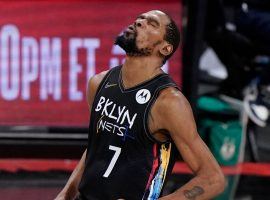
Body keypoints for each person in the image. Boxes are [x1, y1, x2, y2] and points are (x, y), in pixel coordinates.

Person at [55, 10, 225, 200]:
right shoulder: (99, 82)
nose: (139, 22)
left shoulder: (168, 102)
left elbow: (213, 179)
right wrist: (65, 194)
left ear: (165, 48)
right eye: (139, 19)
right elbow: (96, 148)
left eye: (151, 24)